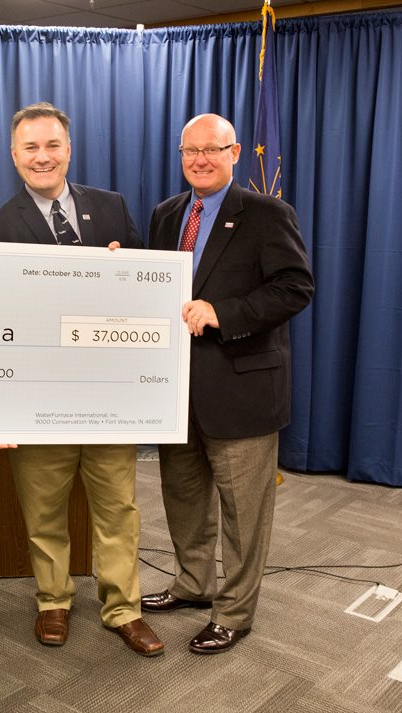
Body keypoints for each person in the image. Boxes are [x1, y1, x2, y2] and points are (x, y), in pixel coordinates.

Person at [0, 102, 164, 657]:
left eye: (52, 145)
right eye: (31, 147)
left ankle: (123, 608)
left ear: (69, 149)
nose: (42, 157)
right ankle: (53, 600)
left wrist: (124, 271)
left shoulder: (111, 207)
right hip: (39, 395)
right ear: (14, 155)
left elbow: (145, 290)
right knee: (44, 511)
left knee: (117, 508)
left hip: (109, 393)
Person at [142, 113, 314, 654]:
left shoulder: (266, 213)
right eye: (190, 151)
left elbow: (295, 287)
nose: (200, 160)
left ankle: (234, 613)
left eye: (211, 150)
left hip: (242, 390)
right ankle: (193, 584)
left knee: (244, 513)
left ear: (234, 153)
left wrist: (225, 313)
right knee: (184, 497)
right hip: (177, 390)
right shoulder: (167, 214)